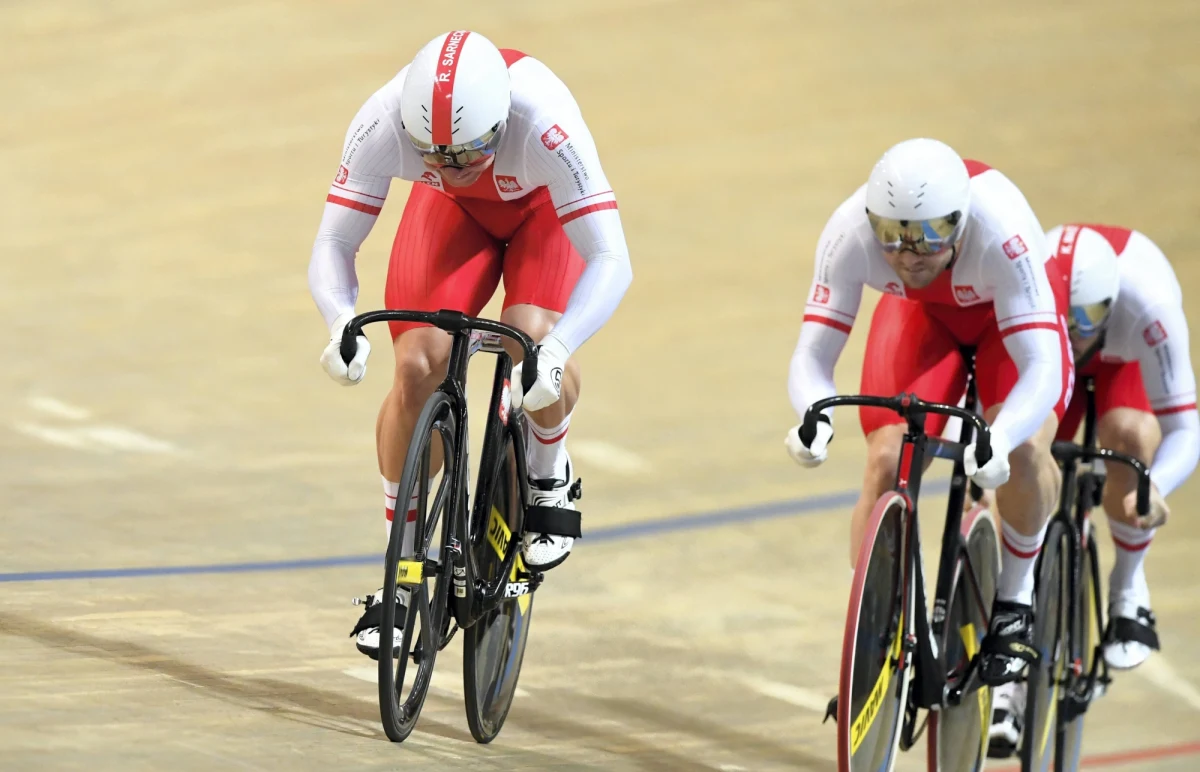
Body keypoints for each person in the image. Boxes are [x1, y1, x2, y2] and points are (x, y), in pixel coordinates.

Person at [308, 31, 633, 658]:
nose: (450, 166)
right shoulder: (385, 123)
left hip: (543, 215)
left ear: (500, 123)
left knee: (532, 342)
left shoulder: (545, 123)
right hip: (453, 215)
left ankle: (547, 471)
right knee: (416, 365)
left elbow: (611, 258)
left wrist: (561, 347)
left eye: (466, 153)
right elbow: (333, 244)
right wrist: (338, 321)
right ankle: (400, 581)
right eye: (433, 154)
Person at [784, 138, 1074, 685]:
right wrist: (813, 413)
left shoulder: (1003, 235)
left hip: (1005, 320)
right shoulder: (849, 232)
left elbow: (1041, 368)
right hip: (925, 316)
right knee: (885, 457)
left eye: (930, 234)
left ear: (961, 223)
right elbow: (812, 354)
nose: (909, 253)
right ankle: (874, 628)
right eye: (891, 235)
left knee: (1027, 446)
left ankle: (1015, 602)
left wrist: (1002, 431)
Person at [988, 223, 1197, 756]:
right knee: (1024, 460)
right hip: (1045, 352)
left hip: (1123, 363)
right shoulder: (1033, 296)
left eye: (1087, 320)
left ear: (1108, 306)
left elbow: (1185, 429)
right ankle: (1009, 677)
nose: (1078, 331)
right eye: (1068, 319)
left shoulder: (1147, 305)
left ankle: (1129, 589)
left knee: (1128, 438)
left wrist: (1151, 488)